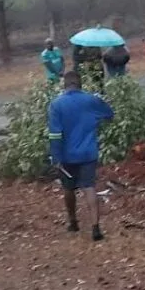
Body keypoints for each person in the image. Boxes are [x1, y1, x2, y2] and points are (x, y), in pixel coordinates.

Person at [48, 71, 115, 241]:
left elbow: (55, 134)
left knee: (68, 188)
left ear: (65, 85)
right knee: (89, 187)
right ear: (80, 84)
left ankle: (72, 221)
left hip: (66, 155)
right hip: (88, 152)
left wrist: (56, 157)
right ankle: (95, 227)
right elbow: (109, 115)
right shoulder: (91, 100)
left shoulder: (56, 105)